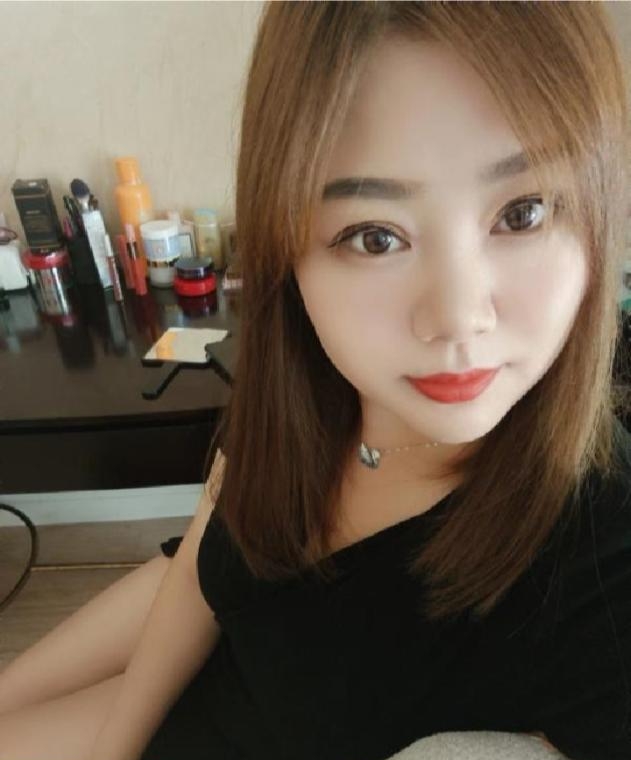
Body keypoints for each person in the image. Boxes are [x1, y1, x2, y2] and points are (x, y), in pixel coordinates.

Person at [1, 2, 630, 758]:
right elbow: (208, 557)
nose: (458, 318)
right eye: (375, 237)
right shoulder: (307, 384)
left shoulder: (602, 555)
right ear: (288, 246)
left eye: (522, 213)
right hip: (199, 660)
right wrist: (117, 745)